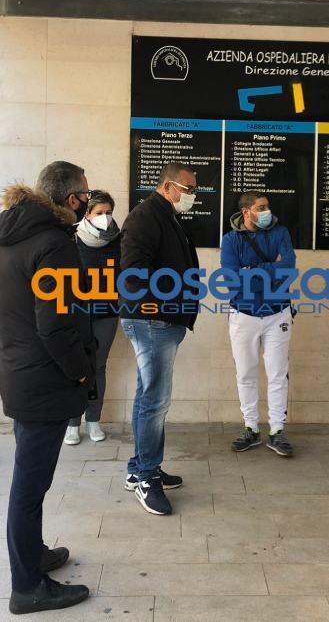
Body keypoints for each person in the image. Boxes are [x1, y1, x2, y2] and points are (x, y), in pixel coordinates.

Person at [0, 174, 94, 614]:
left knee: (33, 479)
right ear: (70, 197)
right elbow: (56, 323)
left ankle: (34, 553)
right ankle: (27, 586)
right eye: (85, 192)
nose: (87, 199)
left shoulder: (8, 236)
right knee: (29, 485)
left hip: (17, 369)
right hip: (44, 379)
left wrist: (16, 338)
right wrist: (80, 372)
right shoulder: (56, 244)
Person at [120, 162, 200, 516]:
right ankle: (146, 477)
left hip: (161, 320)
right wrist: (166, 303)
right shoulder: (145, 217)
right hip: (152, 321)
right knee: (155, 400)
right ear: (168, 186)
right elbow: (134, 272)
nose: (192, 195)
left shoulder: (163, 215)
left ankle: (141, 466)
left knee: (147, 396)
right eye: (189, 188)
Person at [220, 191, 297, 456]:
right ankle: (250, 428)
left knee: (277, 374)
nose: (267, 212)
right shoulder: (231, 240)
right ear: (246, 212)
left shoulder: (281, 233)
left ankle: (277, 431)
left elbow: (289, 269)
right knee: (245, 374)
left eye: (268, 207)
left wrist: (250, 272)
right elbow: (231, 279)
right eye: (261, 207)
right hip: (243, 315)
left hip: (278, 314)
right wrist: (269, 269)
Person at [66, 189, 121, 445]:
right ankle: (72, 422)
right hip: (77, 314)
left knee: (98, 366)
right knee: (75, 365)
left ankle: (93, 420)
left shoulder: (118, 240)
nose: (105, 217)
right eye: (100, 212)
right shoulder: (72, 239)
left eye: (109, 212)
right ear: (87, 214)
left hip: (107, 312)